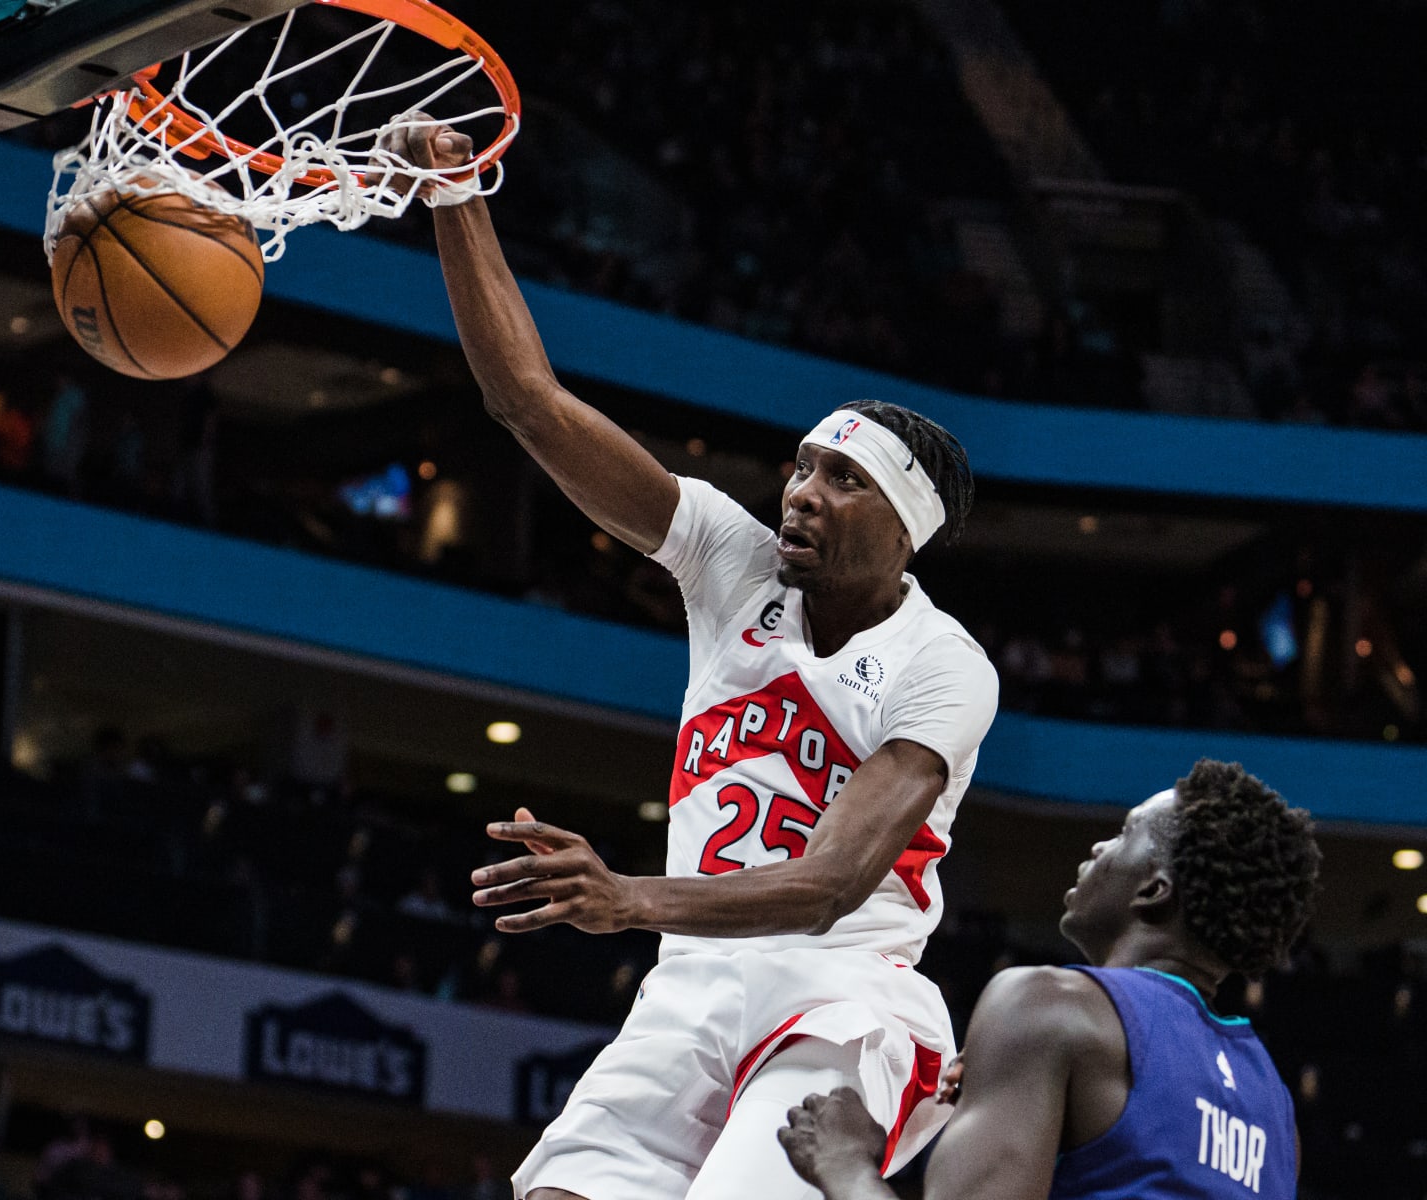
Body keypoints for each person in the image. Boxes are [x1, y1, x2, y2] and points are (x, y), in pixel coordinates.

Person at [389, 118, 998, 1199]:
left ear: (903, 529)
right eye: (802, 467)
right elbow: (528, 402)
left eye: (841, 480)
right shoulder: (733, 558)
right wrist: (455, 196)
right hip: (692, 983)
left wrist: (626, 896)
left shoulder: (945, 664)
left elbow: (829, 885)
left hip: (844, 998)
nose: (801, 491)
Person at [778, 759, 1320, 1200]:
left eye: (1125, 833)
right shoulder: (1274, 1107)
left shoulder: (1051, 1005)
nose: (1100, 848)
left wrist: (847, 1166)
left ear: (1154, 890)